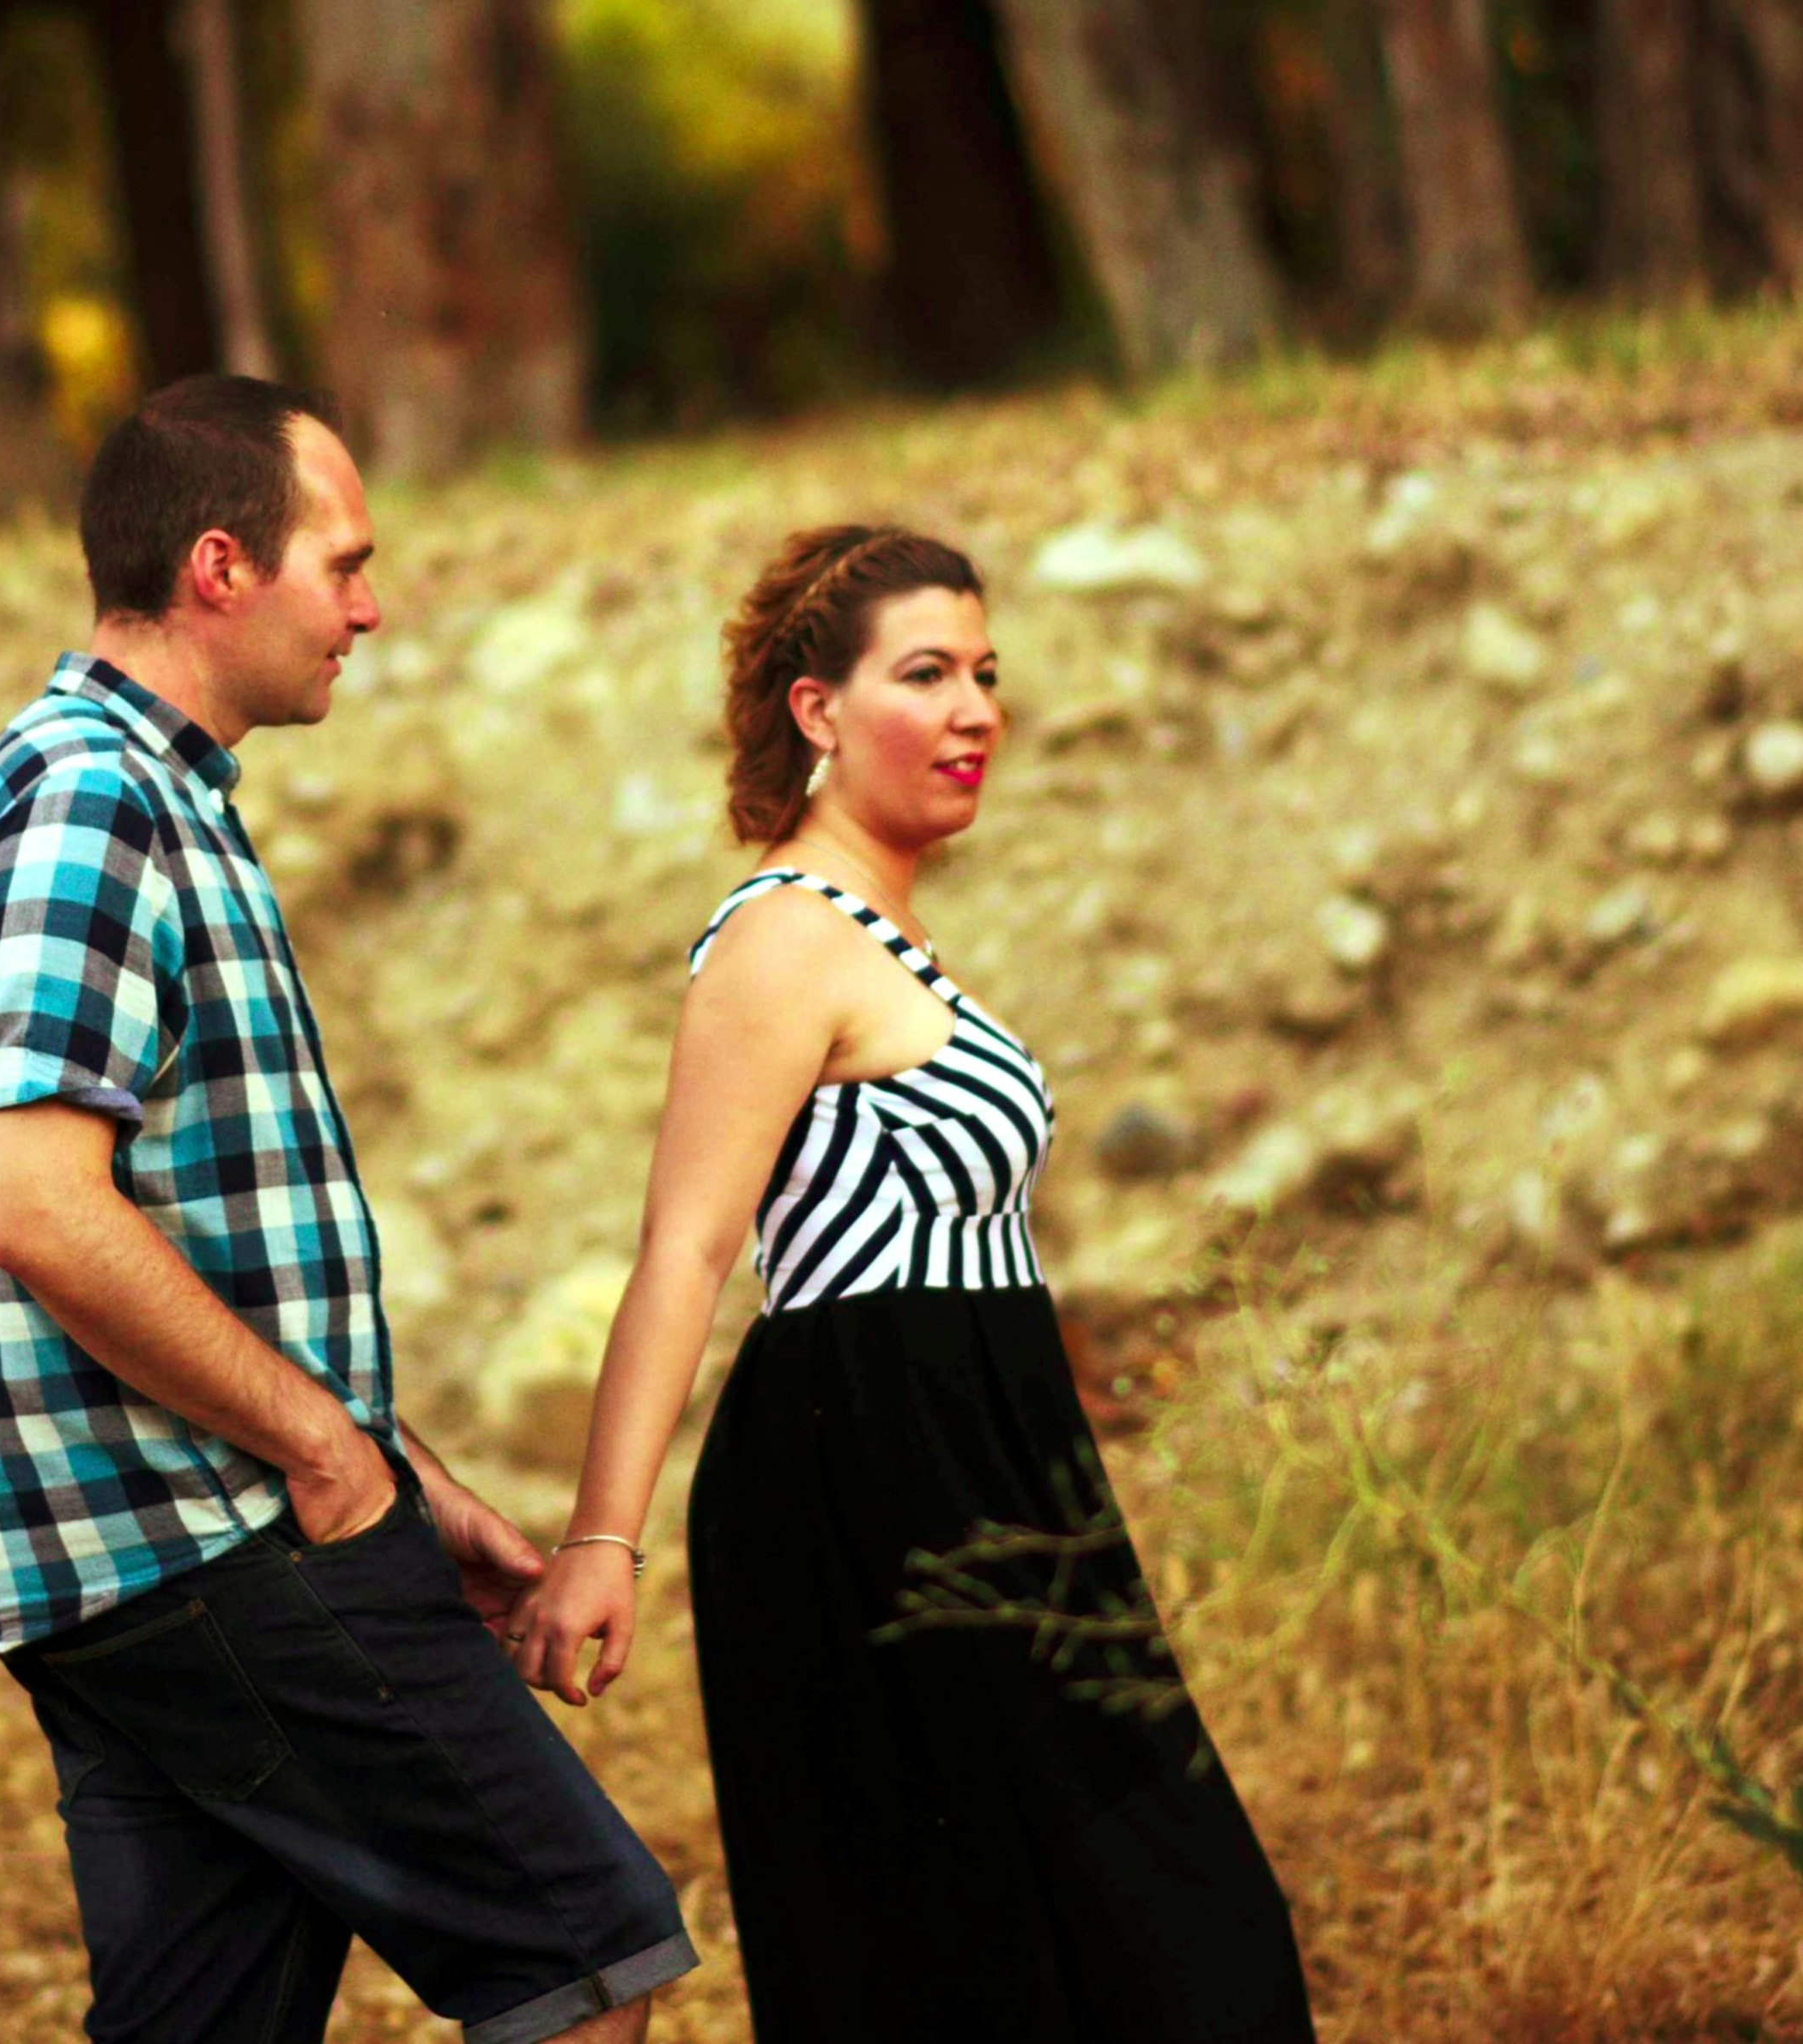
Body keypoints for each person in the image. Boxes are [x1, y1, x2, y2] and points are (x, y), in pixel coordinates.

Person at [0, 373, 696, 2044]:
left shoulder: (157, 797)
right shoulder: (92, 799)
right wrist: (331, 1463)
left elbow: (192, 1232)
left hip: (155, 1558)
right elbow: (43, 1206)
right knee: (585, 1968)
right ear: (218, 566)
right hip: (212, 1540)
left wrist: (408, 1476)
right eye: (339, 564)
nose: (370, 604)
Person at [499, 525, 1316, 2041]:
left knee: (1143, 1917)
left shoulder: (894, 936)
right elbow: (686, 1245)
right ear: (817, 712)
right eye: (926, 673)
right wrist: (602, 1536)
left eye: (987, 674)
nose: (976, 710)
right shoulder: (781, 941)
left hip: (992, 1459)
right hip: (870, 1470)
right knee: (1027, 1938)